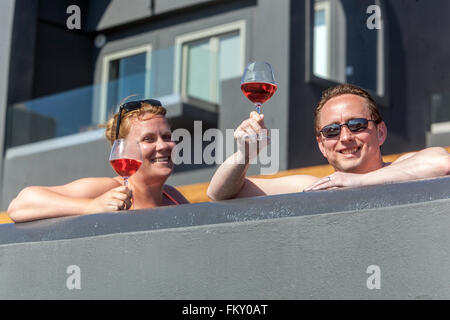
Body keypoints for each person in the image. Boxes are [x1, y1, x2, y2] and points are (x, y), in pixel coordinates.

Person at [207, 84, 450, 200]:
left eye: (357, 125)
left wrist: (358, 182)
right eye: (332, 131)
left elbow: (442, 163)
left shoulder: (400, 169)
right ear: (322, 145)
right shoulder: (317, 185)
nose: (345, 137)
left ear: (381, 132)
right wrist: (243, 155)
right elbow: (219, 193)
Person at [8, 99, 189, 223]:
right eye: (149, 139)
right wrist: (91, 206)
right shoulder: (109, 189)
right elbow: (21, 204)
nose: (164, 145)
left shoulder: (173, 197)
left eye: (167, 136)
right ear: (124, 148)